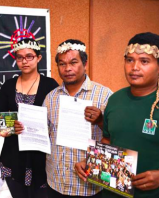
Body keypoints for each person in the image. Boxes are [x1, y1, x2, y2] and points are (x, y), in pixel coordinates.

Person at [101, 32, 159, 198]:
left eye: (144, 61)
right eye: (129, 60)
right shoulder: (115, 99)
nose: (134, 67)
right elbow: (108, 140)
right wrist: (93, 164)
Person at [43, 39, 113, 198]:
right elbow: (45, 134)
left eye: (73, 62)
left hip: (89, 185)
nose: (67, 68)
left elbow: (117, 137)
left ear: (85, 63)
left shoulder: (104, 95)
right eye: (62, 64)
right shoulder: (51, 98)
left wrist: (101, 121)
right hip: (56, 181)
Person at [0, 38, 59, 198]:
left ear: (39, 58)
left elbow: (57, 117)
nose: (24, 61)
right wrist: (9, 127)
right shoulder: (8, 86)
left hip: (41, 157)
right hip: (13, 155)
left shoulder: (50, 85)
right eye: (19, 57)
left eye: (29, 56)